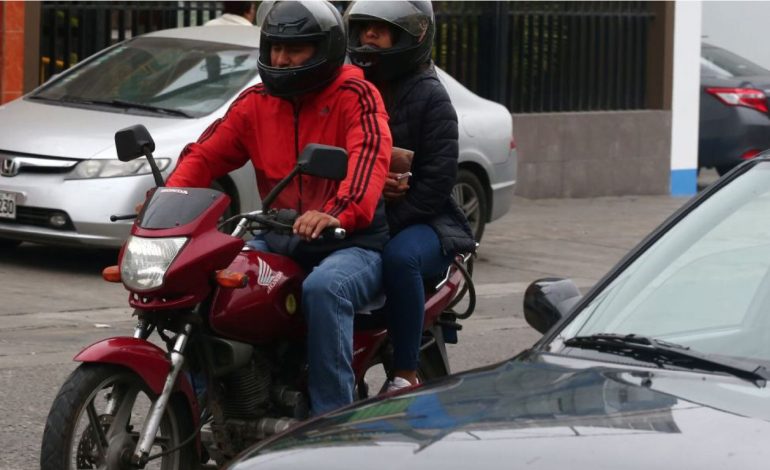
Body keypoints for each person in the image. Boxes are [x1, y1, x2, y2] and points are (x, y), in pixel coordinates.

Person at [166, 0, 392, 415]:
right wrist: (167, 203)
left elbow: (368, 159)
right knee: (208, 282)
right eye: (276, 49)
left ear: (324, 49)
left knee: (325, 288)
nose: (282, 59)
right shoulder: (256, 103)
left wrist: (337, 211)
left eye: (296, 49)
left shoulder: (355, 94)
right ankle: (194, 410)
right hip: (277, 235)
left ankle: (330, 424)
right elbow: (203, 156)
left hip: (350, 243)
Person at [344, 0, 476, 391]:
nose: (369, 36)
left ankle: (404, 373)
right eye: (365, 27)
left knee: (399, 258)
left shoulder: (431, 97)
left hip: (425, 221)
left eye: (380, 29)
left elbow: (437, 183)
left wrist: (384, 222)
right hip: (365, 210)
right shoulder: (354, 86)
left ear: (409, 35)